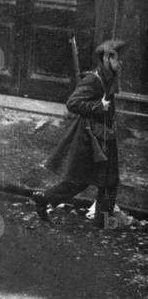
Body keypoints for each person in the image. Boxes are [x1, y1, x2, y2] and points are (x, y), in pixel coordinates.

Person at [33, 39, 125, 227]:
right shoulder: (93, 79)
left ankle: (101, 220)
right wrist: (99, 107)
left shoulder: (110, 77)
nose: (120, 63)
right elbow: (72, 103)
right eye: (116, 59)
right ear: (106, 60)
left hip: (105, 136)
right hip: (92, 139)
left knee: (106, 180)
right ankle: (45, 198)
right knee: (86, 180)